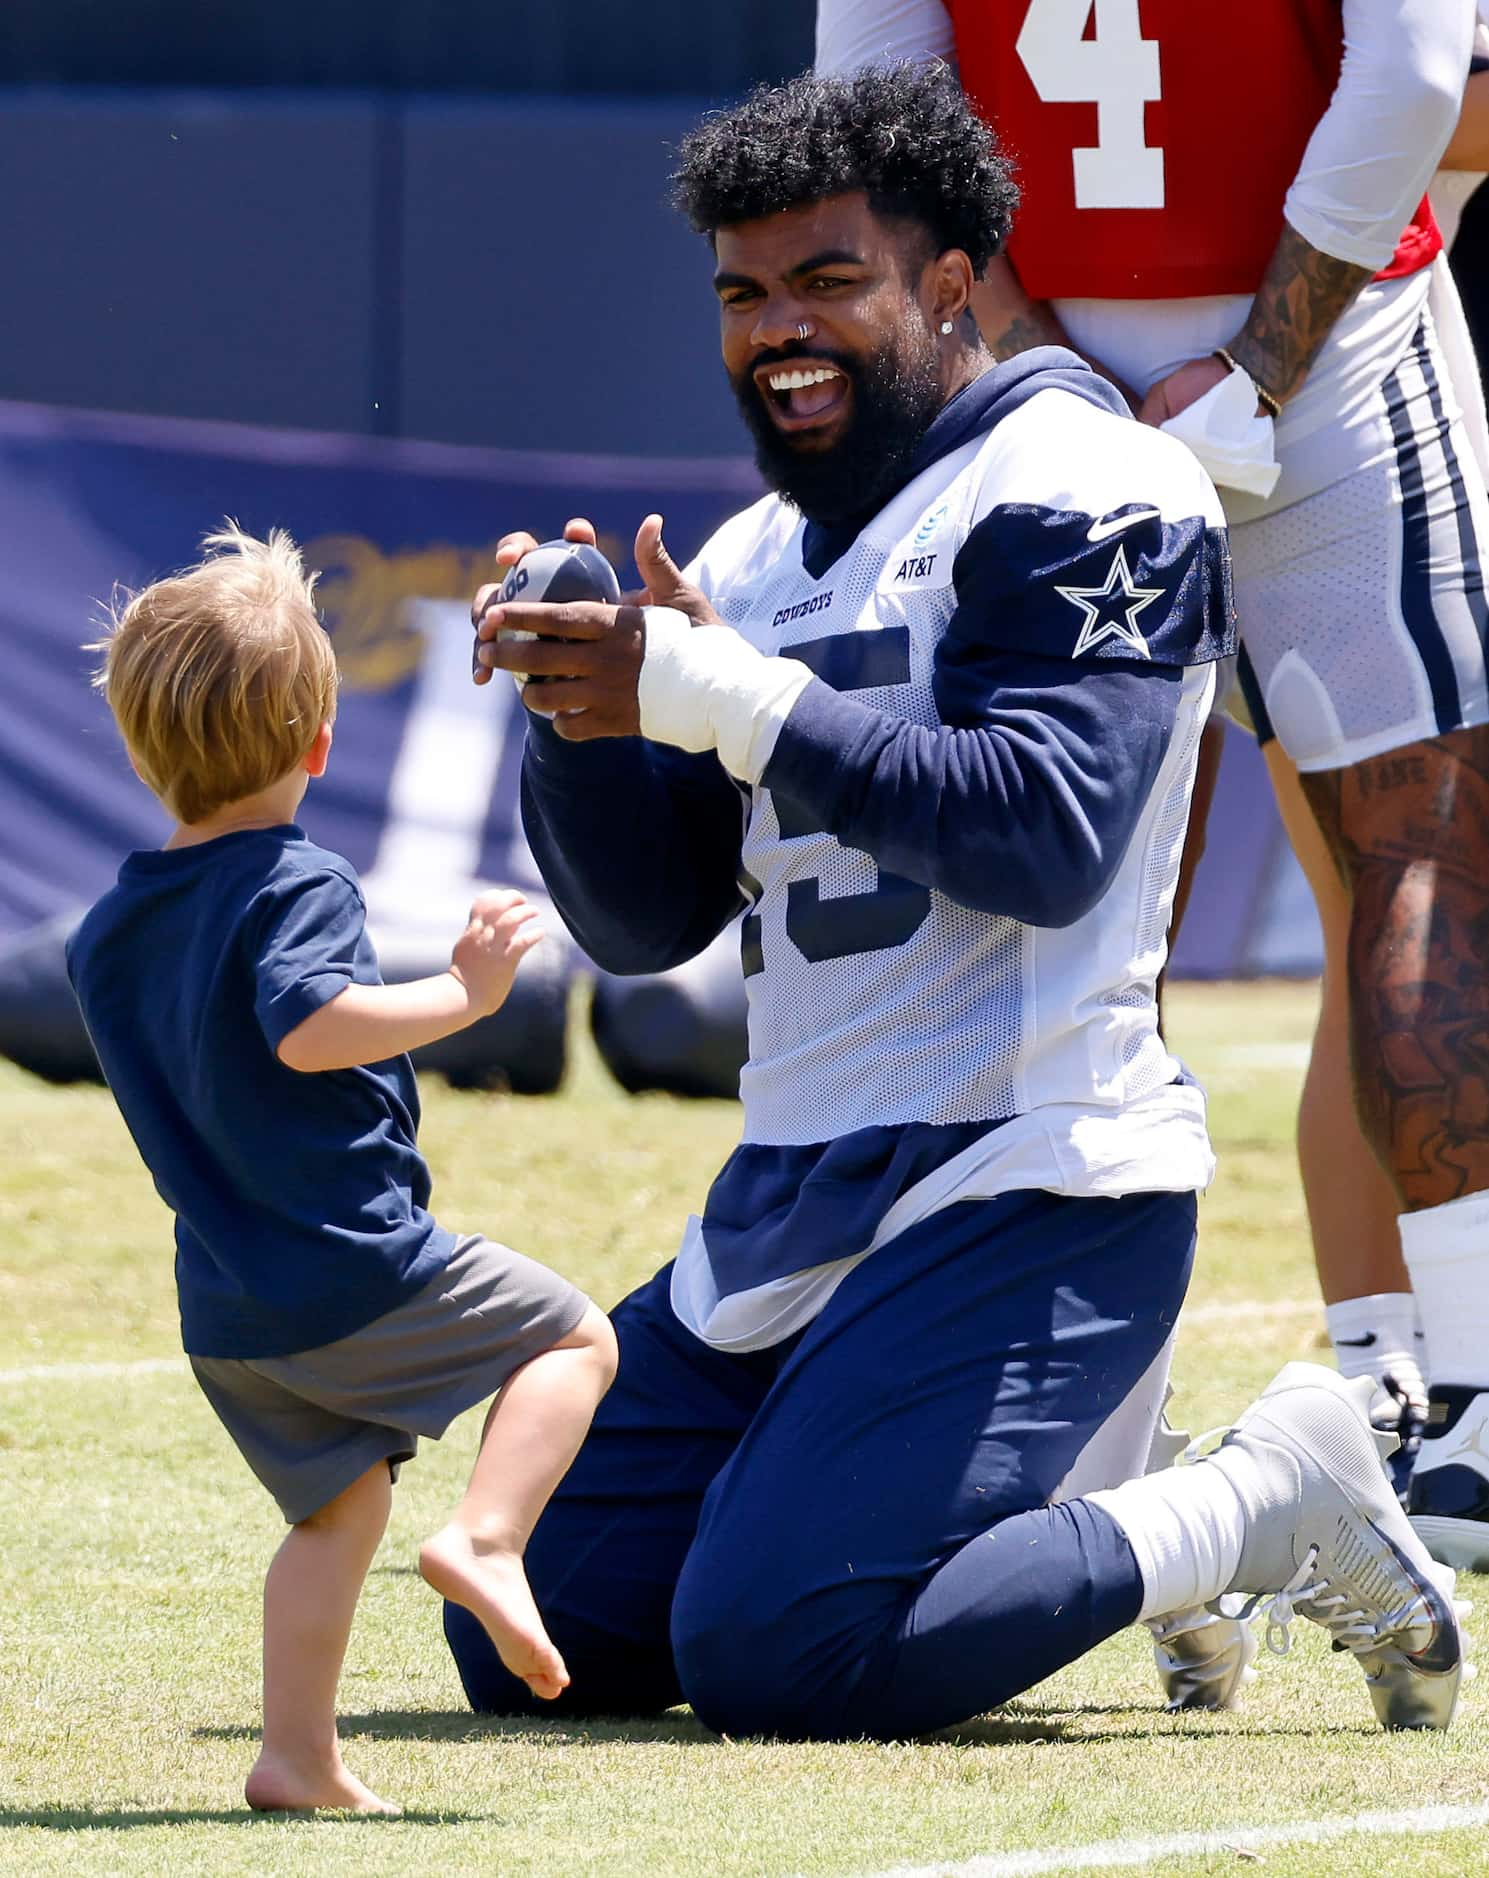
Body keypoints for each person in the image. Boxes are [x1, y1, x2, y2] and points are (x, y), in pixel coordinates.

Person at [449, 66, 1464, 1741]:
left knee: (782, 1649)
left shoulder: (1089, 486)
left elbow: (1049, 828)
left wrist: (726, 698)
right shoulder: (766, 553)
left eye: (827, 280)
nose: (780, 327)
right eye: (743, 290)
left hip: (1031, 1170)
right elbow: (649, 926)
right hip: (796, 1192)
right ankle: (1063, 1506)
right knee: (535, 1628)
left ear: (948, 286)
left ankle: (1261, 1495)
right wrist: (583, 716)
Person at [816, 0, 1489, 1571]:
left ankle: (1066, 1413)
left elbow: (871, 94)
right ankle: (1470, 1396)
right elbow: (1408, 76)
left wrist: (1044, 356)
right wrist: (1258, 360)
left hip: (1048, 360)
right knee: (1425, 854)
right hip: (1332, 360)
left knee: (1064, 908)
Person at [66, 526, 618, 1814]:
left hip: (231, 1307)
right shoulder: (297, 881)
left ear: (142, 754)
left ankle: (296, 1760)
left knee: (334, 1514)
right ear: (320, 746)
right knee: (573, 1340)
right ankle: (486, 1536)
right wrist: (462, 993)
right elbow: (309, 1026)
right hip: (348, 1268)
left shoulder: (107, 929)